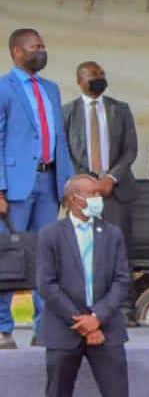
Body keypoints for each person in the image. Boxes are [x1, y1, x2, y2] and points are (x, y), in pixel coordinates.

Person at [0, 28, 73, 350]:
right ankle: (3, 328)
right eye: (35, 47)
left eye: (44, 46)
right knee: (7, 256)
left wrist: (67, 184)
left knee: (46, 257)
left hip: (48, 181)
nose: (42, 51)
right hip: (13, 185)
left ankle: (45, 329)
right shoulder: (3, 87)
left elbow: (60, 139)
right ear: (17, 51)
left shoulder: (52, 89)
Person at [37, 175, 130, 397]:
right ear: (74, 199)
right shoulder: (50, 234)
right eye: (93, 194)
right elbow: (46, 284)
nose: (99, 199)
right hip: (63, 328)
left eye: (99, 193)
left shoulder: (112, 233)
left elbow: (121, 279)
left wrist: (97, 318)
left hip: (106, 328)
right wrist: (81, 321)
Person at [63, 61, 140, 327]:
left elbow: (131, 149)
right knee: (81, 250)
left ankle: (125, 307)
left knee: (118, 248)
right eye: (93, 75)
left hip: (115, 191)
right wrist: (86, 183)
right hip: (82, 193)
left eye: (102, 74)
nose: (99, 78)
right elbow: (64, 152)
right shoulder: (67, 112)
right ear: (79, 79)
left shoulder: (120, 109)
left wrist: (110, 178)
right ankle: (85, 307)